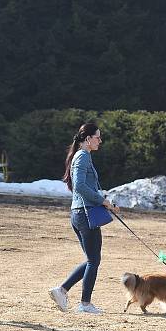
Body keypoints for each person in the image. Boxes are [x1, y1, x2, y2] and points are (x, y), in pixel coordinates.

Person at [49, 123, 118, 315]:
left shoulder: (82, 156)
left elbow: (85, 186)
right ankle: (85, 304)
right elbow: (79, 186)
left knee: (91, 260)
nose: (100, 140)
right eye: (97, 137)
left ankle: (62, 291)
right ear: (87, 139)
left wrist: (106, 202)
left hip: (81, 213)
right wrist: (101, 200)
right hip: (84, 214)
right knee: (93, 260)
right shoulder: (82, 156)